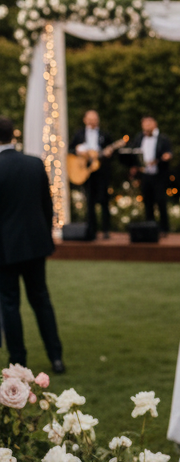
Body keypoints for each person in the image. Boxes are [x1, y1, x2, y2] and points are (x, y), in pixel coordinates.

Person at [0, 116, 65, 373]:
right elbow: (47, 207)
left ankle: (17, 361)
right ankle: (56, 357)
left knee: (9, 304)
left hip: (5, 249)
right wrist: (45, 238)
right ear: (13, 136)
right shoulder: (35, 163)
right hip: (35, 245)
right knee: (41, 300)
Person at [70, 109, 113, 240]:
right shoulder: (79, 134)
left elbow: (112, 151)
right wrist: (79, 152)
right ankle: (91, 230)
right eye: (90, 118)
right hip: (86, 172)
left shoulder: (104, 134)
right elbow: (70, 149)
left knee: (104, 200)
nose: (93, 121)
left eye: (95, 118)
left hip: (101, 172)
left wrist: (108, 154)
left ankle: (106, 230)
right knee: (89, 201)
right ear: (85, 120)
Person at [128, 115, 172, 237]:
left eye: (148, 124)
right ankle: (150, 228)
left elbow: (169, 153)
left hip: (159, 175)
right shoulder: (139, 138)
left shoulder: (163, 139)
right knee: (147, 202)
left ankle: (164, 229)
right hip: (145, 174)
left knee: (161, 200)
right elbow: (134, 152)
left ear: (154, 124)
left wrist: (162, 158)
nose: (146, 127)